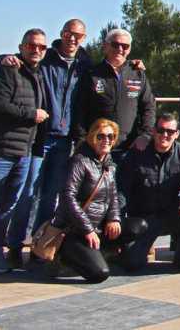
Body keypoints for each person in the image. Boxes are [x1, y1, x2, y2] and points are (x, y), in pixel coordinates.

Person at [0, 18, 95, 267]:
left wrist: (137, 66)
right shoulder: (46, 57)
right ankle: (15, 245)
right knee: (27, 194)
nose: (73, 39)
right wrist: (3, 58)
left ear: (83, 38)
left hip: (65, 140)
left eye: (79, 35)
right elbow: (20, 59)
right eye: (69, 33)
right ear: (61, 34)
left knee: (50, 197)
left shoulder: (85, 65)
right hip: (38, 137)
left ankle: (39, 246)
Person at [0, 28, 49, 277]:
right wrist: (32, 115)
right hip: (0, 150)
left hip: (24, 151)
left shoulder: (37, 74)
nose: (36, 50)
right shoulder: (7, 69)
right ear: (21, 46)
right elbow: (0, 104)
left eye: (41, 47)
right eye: (31, 45)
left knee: (8, 205)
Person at [47, 119, 144, 283]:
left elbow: (112, 195)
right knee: (100, 274)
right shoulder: (80, 161)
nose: (106, 140)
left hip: (99, 226)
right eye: (101, 136)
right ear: (92, 137)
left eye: (110, 137)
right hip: (75, 231)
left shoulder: (109, 163)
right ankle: (65, 258)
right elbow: (67, 198)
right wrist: (88, 230)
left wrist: (114, 218)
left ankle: (104, 251)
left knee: (139, 226)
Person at [117, 112, 180, 271]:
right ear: (154, 131)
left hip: (170, 214)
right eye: (160, 130)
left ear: (177, 134)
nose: (164, 135)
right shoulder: (136, 153)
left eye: (170, 132)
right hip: (142, 220)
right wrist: (118, 222)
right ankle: (127, 249)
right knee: (132, 264)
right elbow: (121, 190)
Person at [73, 28, 155, 152]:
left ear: (129, 49)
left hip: (129, 148)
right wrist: (82, 139)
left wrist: (145, 135)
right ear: (105, 46)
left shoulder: (137, 74)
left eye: (125, 46)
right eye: (115, 45)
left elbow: (149, 107)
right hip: (96, 147)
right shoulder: (92, 74)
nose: (120, 49)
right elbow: (80, 109)